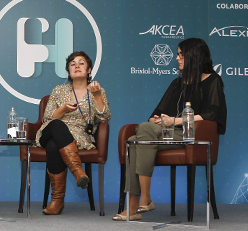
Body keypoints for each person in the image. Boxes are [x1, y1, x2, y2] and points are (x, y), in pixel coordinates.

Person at [113, 38, 227, 221]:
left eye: (181, 54)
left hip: (191, 136)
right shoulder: (177, 83)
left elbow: (212, 115)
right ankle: (140, 203)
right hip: (166, 134)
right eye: (178, 54)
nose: (177, 58)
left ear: (194, 56)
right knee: (136, 139)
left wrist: (175, 121)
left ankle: (139, 204)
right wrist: (159, 120)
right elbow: (155, 114)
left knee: (140, 136)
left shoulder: (212, 80)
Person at [35, 51, 111, 215]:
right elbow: (47, 118)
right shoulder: (59, 90)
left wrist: (97, 96)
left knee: (54, 146)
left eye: (81, 63)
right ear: (68, 71)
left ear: (89, 69)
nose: (77, 66)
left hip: (77, 137)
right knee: (57, 125)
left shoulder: (97, 90)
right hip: (50, 130)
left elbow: (104, 117)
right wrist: (62, 109)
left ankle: (56, 201)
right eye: (72, 64)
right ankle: (78, 171)